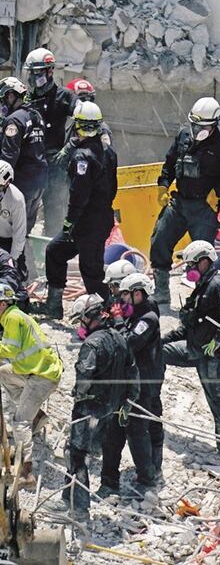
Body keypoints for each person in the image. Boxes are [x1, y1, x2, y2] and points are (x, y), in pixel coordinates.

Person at [49, 294, 137, 521]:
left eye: (81, 320)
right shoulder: (119, 338)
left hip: (90, 409)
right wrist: (127, 402)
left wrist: (78, 396)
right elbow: (132, 373)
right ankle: (70, 500)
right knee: (85, 451)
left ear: (89, 317)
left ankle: (77, 509)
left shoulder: (92, 344)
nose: (81, 325)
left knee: (76, 454)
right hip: (112, 406)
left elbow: (85, 377)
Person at [151, 97, 220, 307]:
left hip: (203, 207)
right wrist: (163, 186)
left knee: (202, 255)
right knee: (160, 239)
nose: (197, 129)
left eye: (202, 126)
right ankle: (161, 291)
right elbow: (169, 164)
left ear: (213, 125)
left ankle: (202, 297)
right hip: (179, 203)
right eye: (194, 124)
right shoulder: (183, 136)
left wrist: (217, 192)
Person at [161, 241, 220, 459]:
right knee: (157, 353)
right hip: (195, 349)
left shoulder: (218, 284)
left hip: (212, 356)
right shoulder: (202, 287)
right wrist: (160, 341)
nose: (189, 270)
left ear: (205, 261)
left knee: (219, 404)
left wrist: (218, 340)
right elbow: (190, 325)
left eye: (192, 265)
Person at [35, 102, 117, 317]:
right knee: (55, 251)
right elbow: (112, 188)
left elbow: (80, 195)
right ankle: (54, 306)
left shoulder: (82, 156)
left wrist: (70, 221)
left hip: (87, 223)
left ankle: (111, 314)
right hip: (96, 220)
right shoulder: (108, 151)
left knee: (91, 273)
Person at [100, 273, 162, 494]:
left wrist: (117, 321)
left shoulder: (148, 319)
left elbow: (128, 343)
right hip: (127, 381)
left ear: (138, 293)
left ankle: (147, 478)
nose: (122, 301)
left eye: (126, 295)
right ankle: (109, 482)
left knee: (137, 430)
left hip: (142, 384)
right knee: (114, 431)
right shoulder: (135, 314)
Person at [0, 283, 61, 465]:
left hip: (42, 376)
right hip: (35, 370)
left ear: (2, 303)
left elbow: (10, 350)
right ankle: (36, 416)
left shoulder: (12, 318)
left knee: (20, 421)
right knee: (3, 373)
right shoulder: (16, 315)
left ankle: (25, 468)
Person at [24, 48, 77, 237]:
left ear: (49, 71)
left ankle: (51, 255)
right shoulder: (27, 99)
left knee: (55, 211)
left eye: (37, 72)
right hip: (31, 164)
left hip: (55, 163)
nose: (33, 77)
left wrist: (69, 149)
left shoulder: (65, 97)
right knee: (25, 211)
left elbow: (84, 121)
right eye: (31, 72)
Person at [0, 77, 47, 237]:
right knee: (24, 231)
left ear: (12, 96)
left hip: (22, 184)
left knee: (10, 234)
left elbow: (8, 156)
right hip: (38, 183)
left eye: (4, 98)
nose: (3, 103)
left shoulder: (13, 120)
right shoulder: (36, 116)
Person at [0, 160, 28, 279]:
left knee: (14, 276)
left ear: (7, 183)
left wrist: (13, 258)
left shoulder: (16, 199)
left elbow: (19, 233)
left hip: (8, 241)